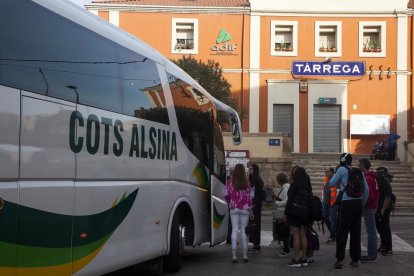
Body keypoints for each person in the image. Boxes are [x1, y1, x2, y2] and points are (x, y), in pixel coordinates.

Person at [329, 153, 369, 269]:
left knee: (342, 231)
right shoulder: (359, 171)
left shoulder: (341, 169)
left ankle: (340, 259)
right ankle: (355, 259)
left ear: (342, 160)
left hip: (347, 202)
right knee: (356, 232)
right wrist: (362, 203)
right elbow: (366, 189)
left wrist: (335, 175)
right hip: (358, 203)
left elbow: (332, 184)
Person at [224, 163, 254, 264]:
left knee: (234, 230)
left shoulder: (229, 182)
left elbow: (226, 195)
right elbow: (249, 198)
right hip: (245, 209)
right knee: (244, 232)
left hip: (234, 208)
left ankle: (234, 255)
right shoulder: (247, 182)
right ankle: (245, 255)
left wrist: (231, 201)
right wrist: (250, 210)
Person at [284, 167, 312, 268]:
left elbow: (289, 201)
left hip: (294, 213)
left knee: (296, 235)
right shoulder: (307, 186)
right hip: (305, 214)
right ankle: (304, 258)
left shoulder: (294, 185)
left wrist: (286, 214)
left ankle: (296, 259)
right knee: (303, 235)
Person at [358, 158, 379, 263]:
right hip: (373, 205)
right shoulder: (372, 177)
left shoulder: (368, 179)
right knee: (371, 231)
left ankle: (372, 255)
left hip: (369, 206)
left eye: (359, 164)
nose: (358, 166)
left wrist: (362, 205)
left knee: (371, 231)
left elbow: (368, 195)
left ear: (363, 165)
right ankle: (372, 254)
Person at [376, 167, 394, 256]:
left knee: (385, 228)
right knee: (380, 227)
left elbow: (387, 198)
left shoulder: (387, 185)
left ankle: (388, 248)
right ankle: (383, 245)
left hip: (385, 209)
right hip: (379, 208)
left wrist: (383, 210)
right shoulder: (379, 184)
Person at [249, 163, 266, 251]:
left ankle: (257, 244)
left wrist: (255, 202)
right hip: (249, 203)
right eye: (249, 168)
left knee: (256, 224)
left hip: (256, 204)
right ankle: (253, 243)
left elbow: (260, 194)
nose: (249, 170)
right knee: (251, 225)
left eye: (251, 168)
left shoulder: (258, 180)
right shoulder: (249, 179)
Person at [274, 172, 290, 257]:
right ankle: (285, 249)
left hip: (283, 212)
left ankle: (286, 250)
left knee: (284, 232)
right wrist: (278, 198)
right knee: (282, 231)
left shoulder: (285, 187)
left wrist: (277, 202)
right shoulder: (284, 187)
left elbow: (287, 201)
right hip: (282, 212)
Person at [322, 167, 337, 243]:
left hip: (333, 203)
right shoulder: (325, 180)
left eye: (327, 171)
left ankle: (332, 235)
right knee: (325, 218)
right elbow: (323, 191)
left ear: (332, 172)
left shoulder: (335, 180)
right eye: (325, 171)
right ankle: (334, 234)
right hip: (326, 202)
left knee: (333, 220)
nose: (326, 173)